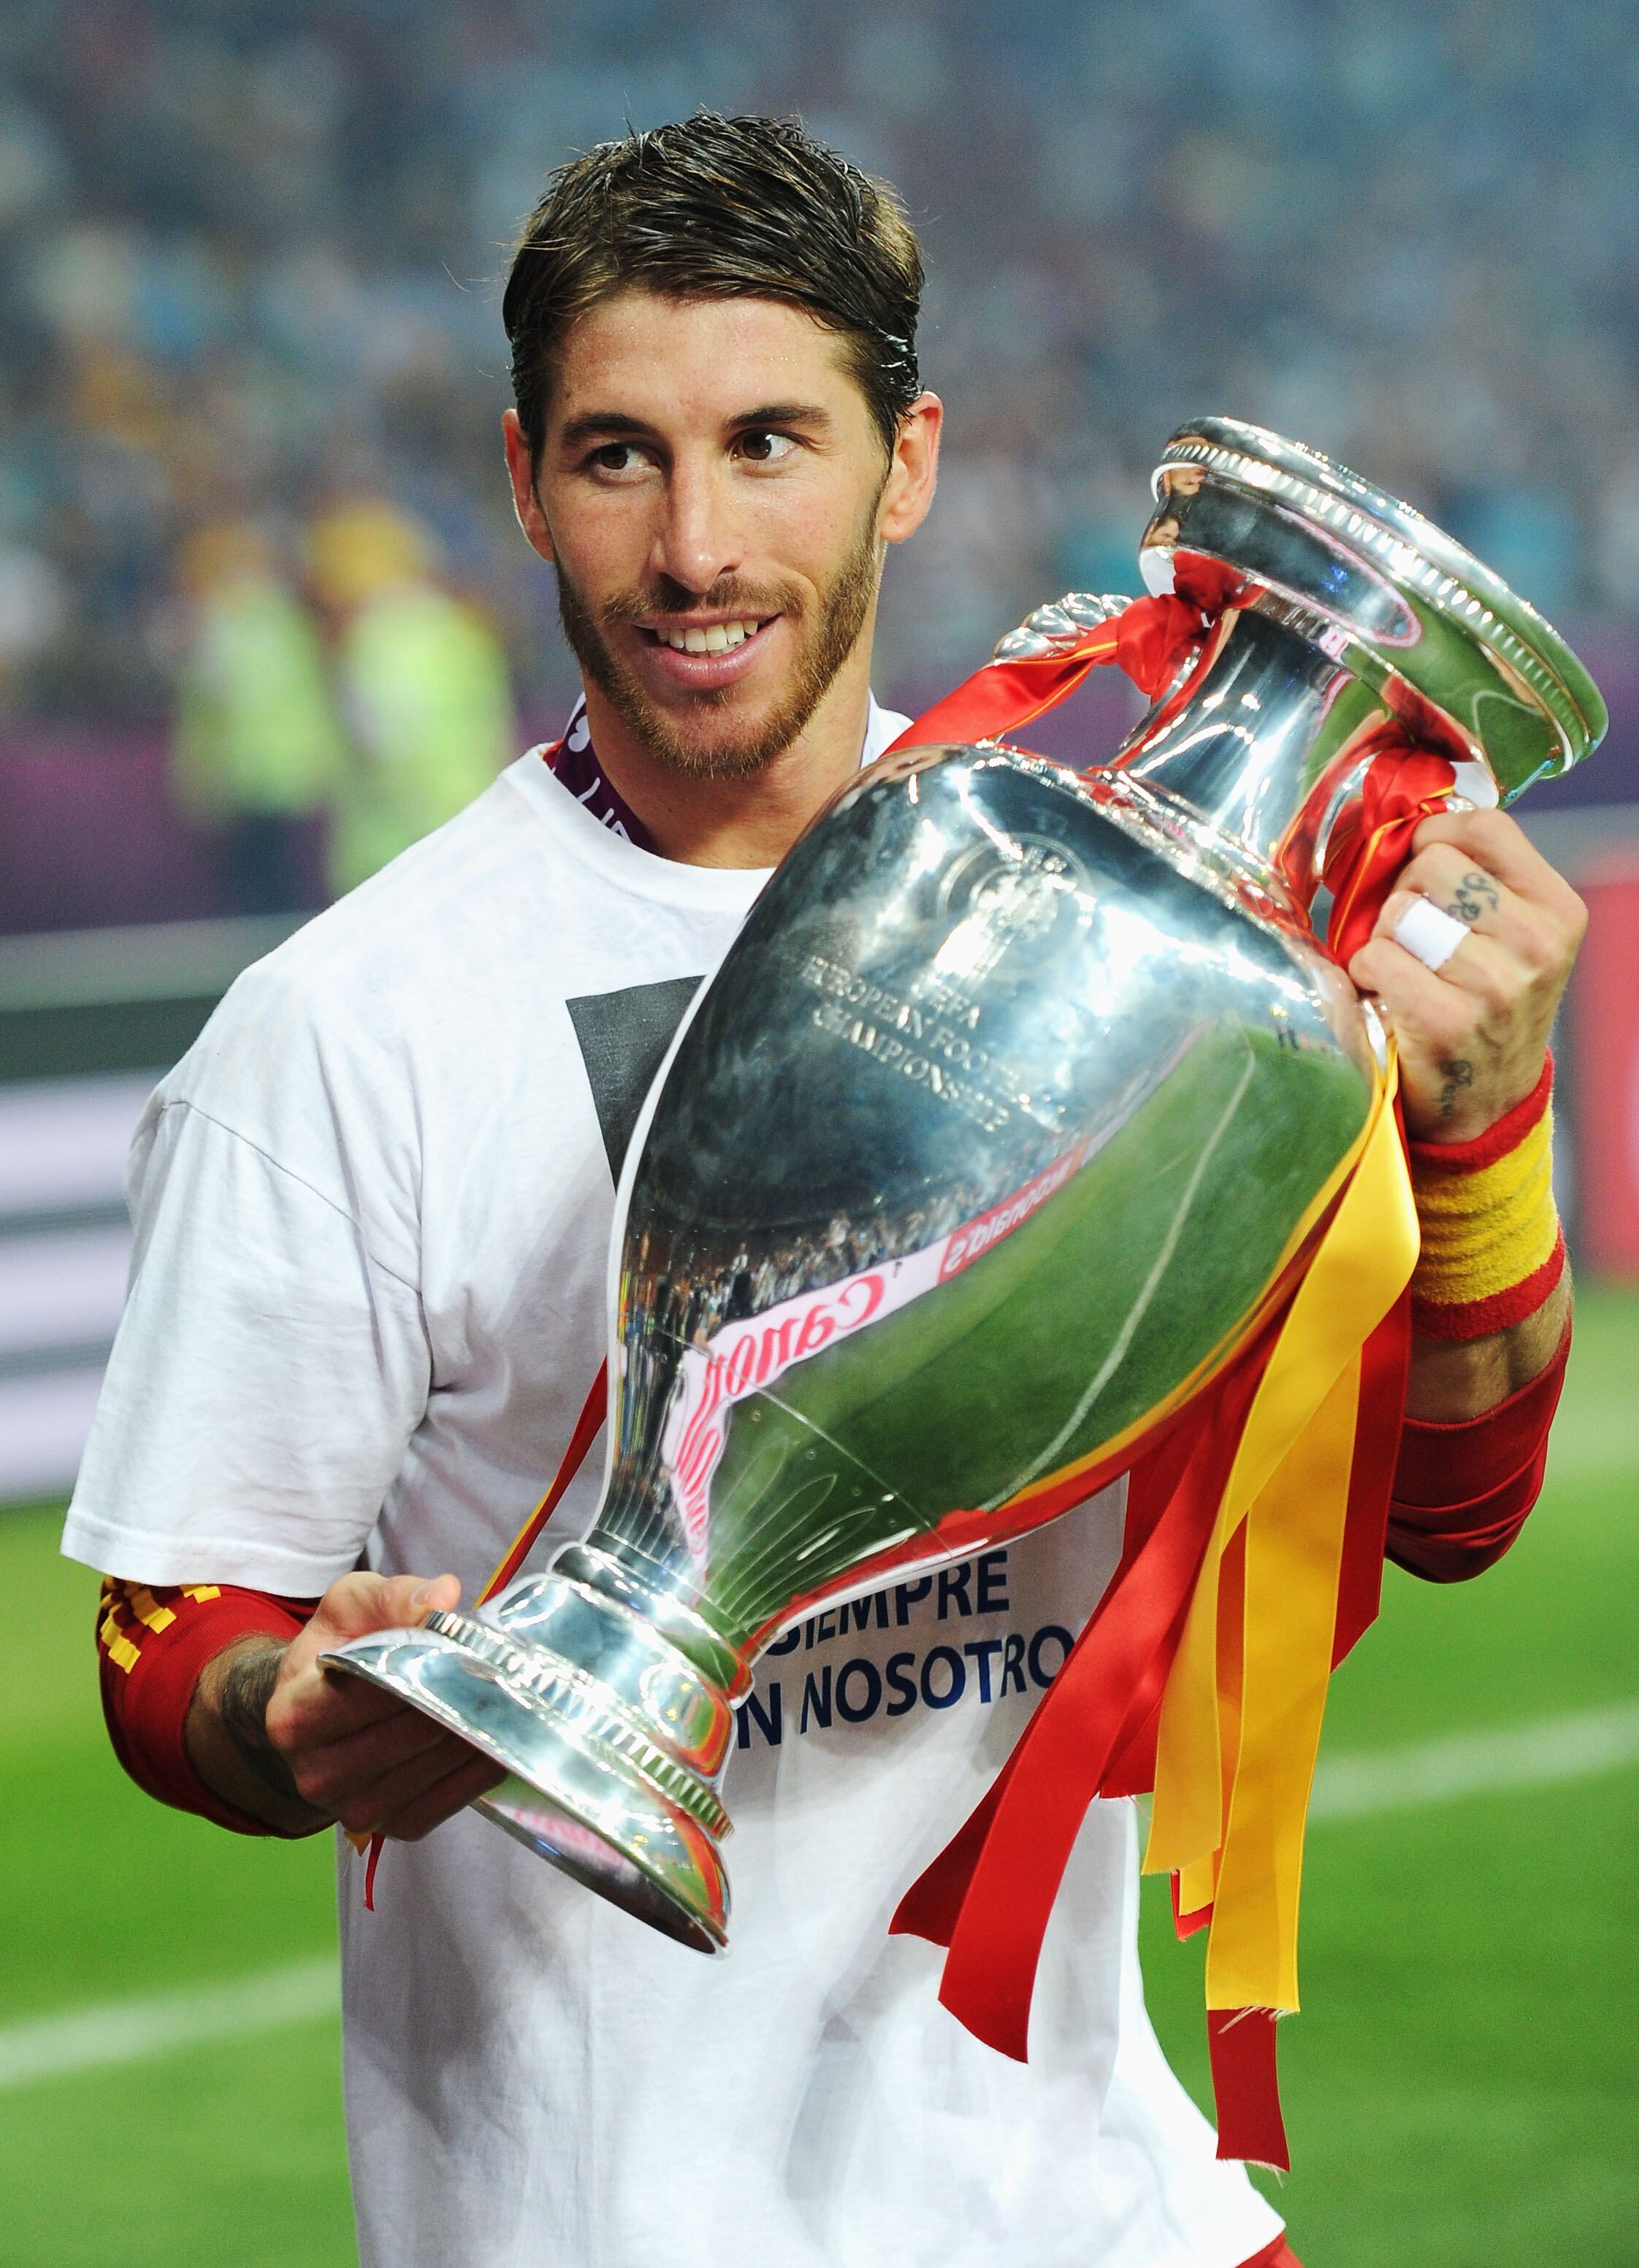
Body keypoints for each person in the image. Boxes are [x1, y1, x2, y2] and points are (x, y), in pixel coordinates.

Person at [64, 115, 1581, 2268]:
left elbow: (1440, 1515)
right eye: (616, 456)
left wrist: (1477, 1124)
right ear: (521, 480)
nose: (694, 545)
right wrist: (279, 1709)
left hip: (1105, 2204)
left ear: (912, 459)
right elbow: (170, 1629)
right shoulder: (348, 1030)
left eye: (769, 442)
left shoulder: (1161, 982)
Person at [305, 498, 517, 894]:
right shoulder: (464, 629)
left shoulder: (377, 639)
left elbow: (380, 736)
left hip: (396, 852)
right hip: (473, 833)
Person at [169, 519, 345, 915]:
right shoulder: (289, 619)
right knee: (280, 889)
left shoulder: (229, 623)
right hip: (281, 772)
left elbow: (222, 692)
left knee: (261, 889)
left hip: (257, 775)